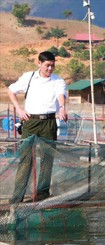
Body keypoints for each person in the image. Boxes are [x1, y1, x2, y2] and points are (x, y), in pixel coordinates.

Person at [7, 51, 67, 203]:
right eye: (47, 65)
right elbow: (11, 90)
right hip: (30, 122)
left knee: (47, 158)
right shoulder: (28, 77)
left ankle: (42, 193)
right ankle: (18, 196)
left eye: (52, 66)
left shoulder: (58, 81)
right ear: (39, 63)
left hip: (49, 122)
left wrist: (62, 107)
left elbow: (61, 95)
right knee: (26, 158)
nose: (50, 69)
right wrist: (19, 109)